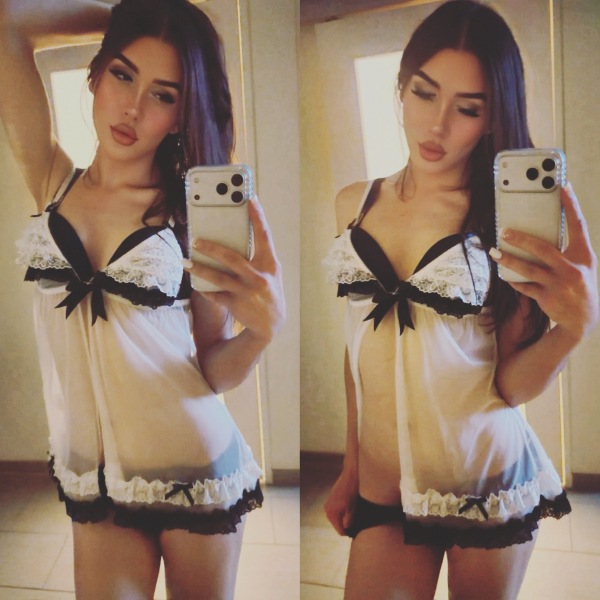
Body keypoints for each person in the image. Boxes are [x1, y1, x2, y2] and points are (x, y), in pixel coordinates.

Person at [0, 0, 285, 597]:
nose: (132, 107)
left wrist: (262, 333)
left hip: (194, 473)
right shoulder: (53, 181)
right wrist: (131, 14)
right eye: (123, 74)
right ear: (96, 75)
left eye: (163, 94)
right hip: (97, 482)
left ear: (181, 115)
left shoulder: (194, 215)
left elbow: (214, 368)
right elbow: (8, 19)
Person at [323, 1, 598, 598]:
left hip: (484, 484)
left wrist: (575, 329)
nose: (437, 125)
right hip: (382, 488)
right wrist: (350, 465)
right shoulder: (352, 203)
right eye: (424, 94)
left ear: (492, 118)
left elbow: (510, 386)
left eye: (467, 108)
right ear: (401, 89)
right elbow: (358, 349)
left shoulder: (505, 223)